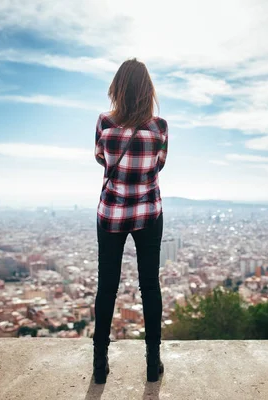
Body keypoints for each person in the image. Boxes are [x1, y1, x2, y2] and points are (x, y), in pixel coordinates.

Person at [92, 58, 168, 384]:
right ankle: (153, 363)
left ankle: (99, 363)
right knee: (149, 286)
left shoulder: (104, 123)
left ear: (117, 88)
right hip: (149, 212)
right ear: (147, 90)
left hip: (111, 211)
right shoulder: (159, 127)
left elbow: (100, 158)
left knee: (106, 286)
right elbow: (159, 164)